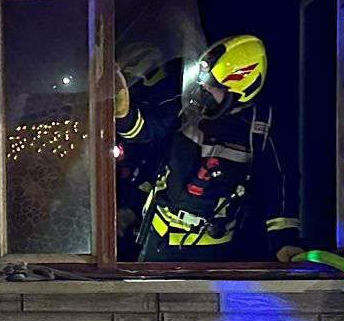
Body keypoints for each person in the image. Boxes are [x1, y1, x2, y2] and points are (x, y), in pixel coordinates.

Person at [116, 34, 306, 265]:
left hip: (209, 252)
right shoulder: (187, 103)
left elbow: (279, 185)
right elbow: (148, 129)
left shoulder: (260, 127)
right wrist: (124, 116)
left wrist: (284, 240)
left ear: (240, 92)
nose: (203, 88)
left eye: (214, 86)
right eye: (204, 79)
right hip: (156, 240)